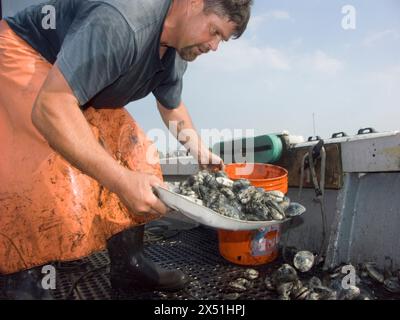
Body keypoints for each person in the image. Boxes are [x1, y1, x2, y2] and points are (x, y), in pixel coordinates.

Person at [0, 0, 252, 299]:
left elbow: (171, 106)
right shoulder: (121, 22)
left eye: (221, 39)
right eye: (214, 31)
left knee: (137, 155)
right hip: (25, 53)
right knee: (49, 173)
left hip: (77, 89)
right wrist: (120, 182)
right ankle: (22, 280)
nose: (213, 46)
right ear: (193, 3)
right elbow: (50, 107)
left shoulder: (179, 48)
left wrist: (200, 151)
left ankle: (129, 267)